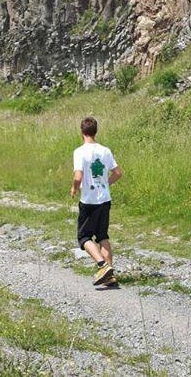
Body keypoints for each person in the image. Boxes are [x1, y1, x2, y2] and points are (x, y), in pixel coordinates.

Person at [71, 117, 122, 286]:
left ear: (82, 132)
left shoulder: (80, 152)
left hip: (89, 200)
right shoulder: (105, 151)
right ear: (95, 131)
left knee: (84, 236)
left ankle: (102, 265)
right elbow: (117, 173)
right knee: (102, 236)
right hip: (104, 198)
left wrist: (74, 188)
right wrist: (106, 184)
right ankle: (110, 275)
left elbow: (78, 176)